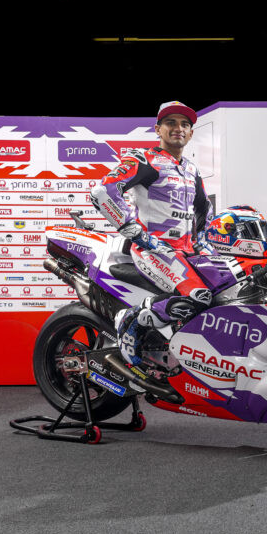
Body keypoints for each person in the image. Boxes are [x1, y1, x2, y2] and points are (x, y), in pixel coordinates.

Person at [90, 101, 215, 368]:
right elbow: (103, 192)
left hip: (186, 252)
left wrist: (203, 244)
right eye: (171, 123)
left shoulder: (191, 170)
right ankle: (131, 320)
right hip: (153, 250)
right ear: (158, 129)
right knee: (198, 296)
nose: (178, 128)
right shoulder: (144, 159)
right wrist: (136, 233)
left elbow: (205, 208)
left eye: (185, 124)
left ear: (191, 133)